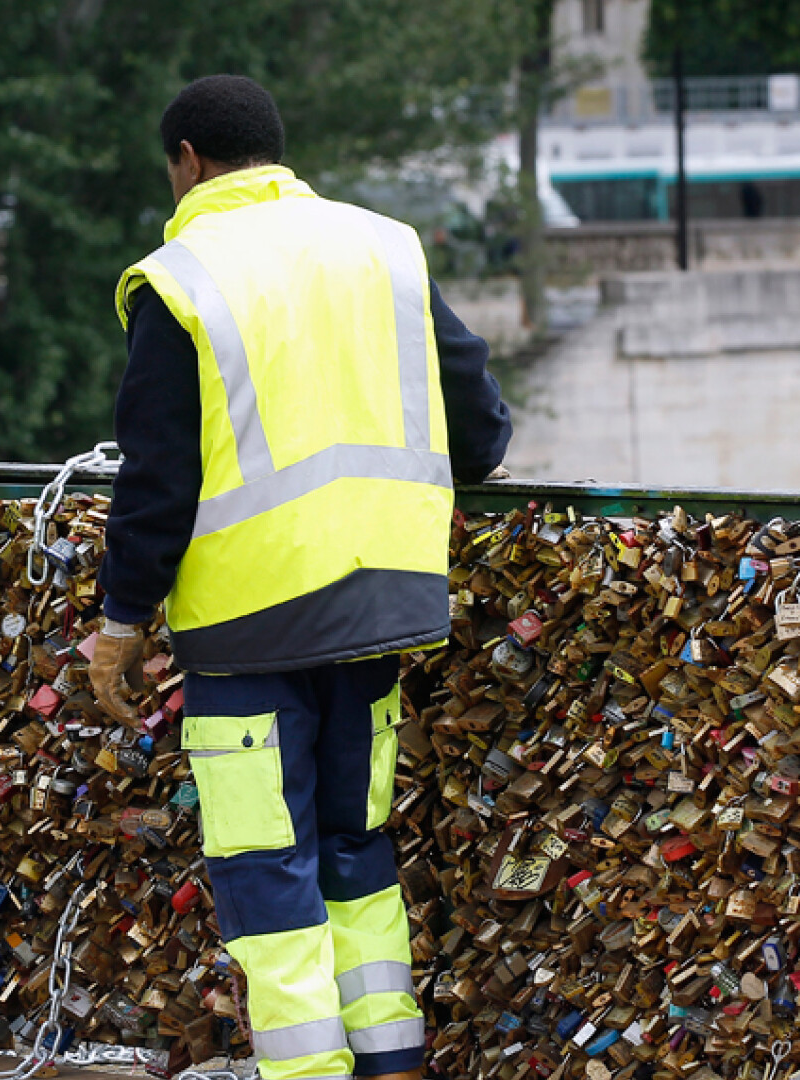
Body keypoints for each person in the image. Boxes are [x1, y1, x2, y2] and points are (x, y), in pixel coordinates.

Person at [87, 76, 511, 1080]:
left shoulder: (179, 277)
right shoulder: (386, 247)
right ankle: (392, 1062)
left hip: (250, 622)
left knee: (264, 869)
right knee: (355, 849)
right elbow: (482, 428)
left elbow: (158, 478)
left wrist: (121, 620)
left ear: (187, 158)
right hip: (381, 606)